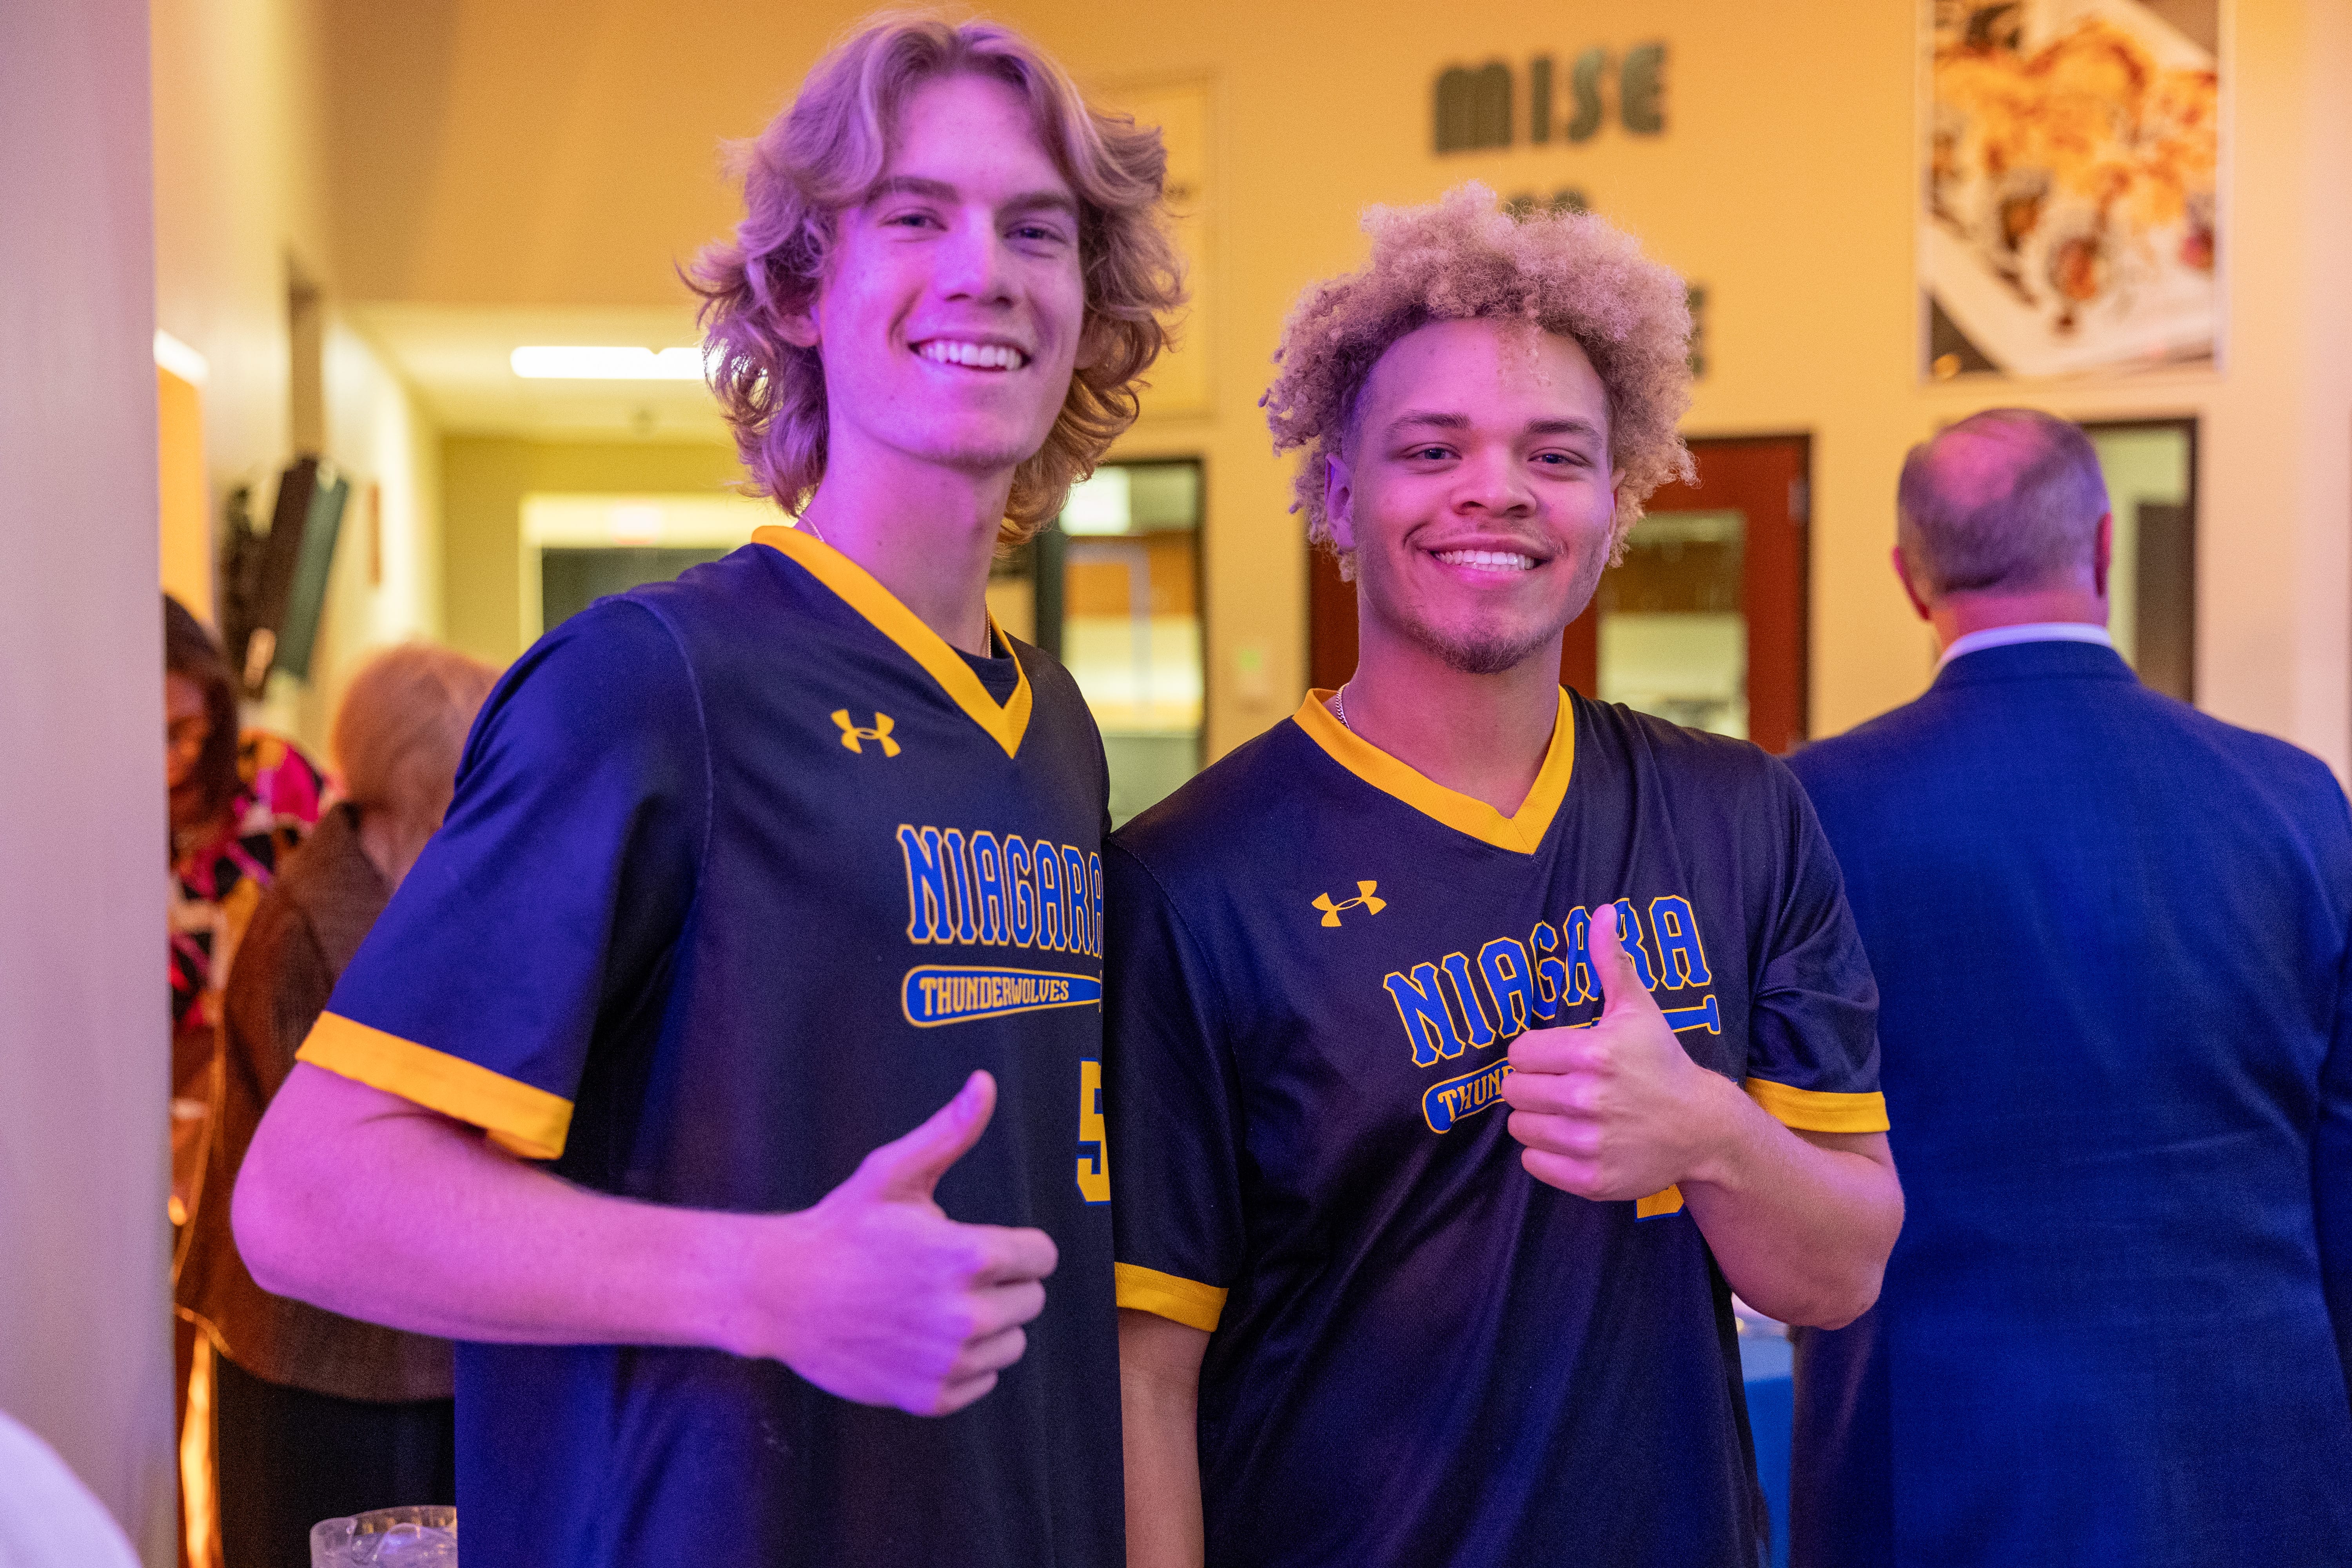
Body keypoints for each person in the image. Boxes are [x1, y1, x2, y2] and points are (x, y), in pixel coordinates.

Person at [234, 16, 1181, 1567]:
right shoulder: (648, 684)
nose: (988, 269)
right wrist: (768, 1282)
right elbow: (314, 1194)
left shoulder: (1056, 727)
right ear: (804, 290)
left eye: (1040, 230)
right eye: (914, 216)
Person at [1110, 183, 1903, 1568]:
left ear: (1618, 497)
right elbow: (1143, 1378)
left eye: (1556, 453)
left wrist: (1708, 1135)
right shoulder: (1191, 881)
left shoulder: (1738, 813)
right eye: (1433, 450)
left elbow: (1839, 1271)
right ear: (1342, 496)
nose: (1498, 490)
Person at [1783, 409, 2352, 1568]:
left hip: (1935, 1463)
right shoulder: (2293, 801)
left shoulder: (1809, 810)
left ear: (1906, 578)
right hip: (2260, 1458)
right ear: (2099, 548)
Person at [178, 644, 495, 1568]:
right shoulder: (309, 922)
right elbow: (342, 1170)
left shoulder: (399, 889)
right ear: (417, 789)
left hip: (414, 1346)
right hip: (319, 1359)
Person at [167, 594, 325, 1099]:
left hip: (297, 1088)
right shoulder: (105, 836)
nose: (179, 759)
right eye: (154, 735)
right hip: (173, 1118)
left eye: (187, 730)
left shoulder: (273, 777)